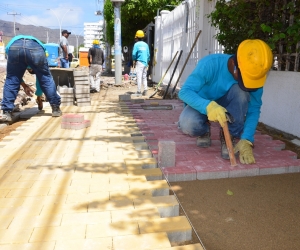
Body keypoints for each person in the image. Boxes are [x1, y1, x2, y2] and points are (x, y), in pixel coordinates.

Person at [178, 39, 273, 164]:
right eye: (243, 77)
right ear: (234, 63)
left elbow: (254, 109)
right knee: (188, 124)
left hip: (228, 105)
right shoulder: (210, 64)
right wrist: (208, 106)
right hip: (203, 103)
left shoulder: (255, 77)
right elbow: (184, 91)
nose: (246, 82)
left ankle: (230, 133)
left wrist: (247, 139)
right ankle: (205, 129)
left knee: (241, 92)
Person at [0, 35, 62, 122]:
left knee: (12, 79)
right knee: (45, 77)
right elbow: (43, 80)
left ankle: (7, 112)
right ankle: (55, 108)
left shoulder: (13, 47)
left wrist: (38, 95)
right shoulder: (43, 52)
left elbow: (15, 77)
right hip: (35, 48)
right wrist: (25, 86)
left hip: (15, 46)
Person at [132, 30, 150, 96]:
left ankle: (139, 91)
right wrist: (147, 62)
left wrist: (134, 60)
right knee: (144, 77)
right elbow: (148, 55)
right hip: (145, 62)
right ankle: (145, 90)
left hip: (139, 62)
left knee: (139, 76)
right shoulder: (146, 45)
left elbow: (134, 54)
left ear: (137, 37)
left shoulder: (136, 44)